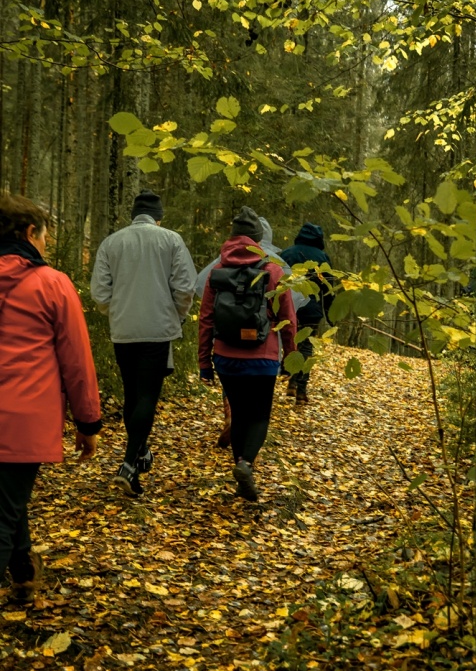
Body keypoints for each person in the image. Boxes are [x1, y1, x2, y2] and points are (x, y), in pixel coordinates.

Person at [0, 194, 101, 603]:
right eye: (44, 235)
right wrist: (88, 422)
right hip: (22, 420)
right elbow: (77, 360)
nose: (46, 243)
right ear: (29, 234)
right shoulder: (51, 283)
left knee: (9, 500)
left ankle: (24, 571)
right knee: (4, 510)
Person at [90, 189, 197, 497]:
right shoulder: (171, 240)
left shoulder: (112, 242)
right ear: (159, 216)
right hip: (158, 329)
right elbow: (185, 287)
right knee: (147, 395)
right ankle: (127, 463)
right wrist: (176, 314)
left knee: (131, 395)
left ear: (133, 214)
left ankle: (139, 458)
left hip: (123, 329)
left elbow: (100, 292)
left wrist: (117, 311)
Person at [198, 206, 297, 501]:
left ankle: (242, 474)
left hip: (226, 357)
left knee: (239, 414)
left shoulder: (217, 272)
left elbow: (206, 319)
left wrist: (204, 362)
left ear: (231, 238)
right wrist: (290, 357)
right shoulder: (273, 270)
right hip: (262, 357)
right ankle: (245, 464)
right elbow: (288, 319)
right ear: (257, 240)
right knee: (259, 416)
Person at [280, 222, 334, 405]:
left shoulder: (287, 253)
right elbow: (328, 287)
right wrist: (329, 314)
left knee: (290, 341)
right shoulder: (322, 258)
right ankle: (301, 390)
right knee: (305, 347)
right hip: (312, 309)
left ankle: (291, 383)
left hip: (289, 308)